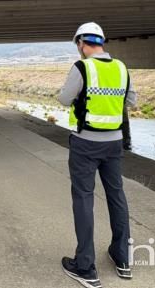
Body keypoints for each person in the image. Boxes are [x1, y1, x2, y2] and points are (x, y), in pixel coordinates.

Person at [58, 22, 137, 288]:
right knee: (116, 195)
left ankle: (85, 267)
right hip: (114, 143)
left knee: (83, 199)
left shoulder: (82, 67)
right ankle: (122, 257)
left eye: (78, 44)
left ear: (81, 43)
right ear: (101, 42)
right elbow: (131, 100)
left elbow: (64, 99)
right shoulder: (121, 67)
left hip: (85, 143)